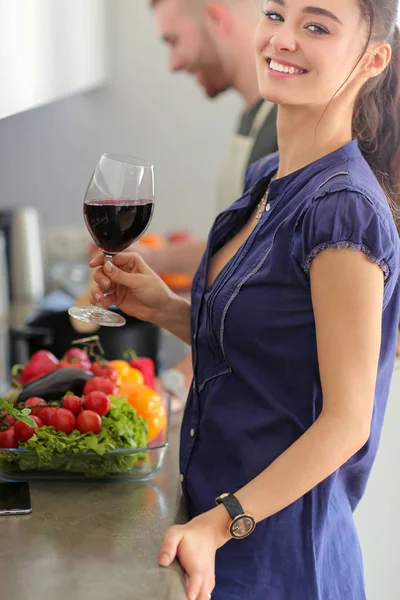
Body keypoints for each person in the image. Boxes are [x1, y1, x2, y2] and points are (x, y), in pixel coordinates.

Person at [90, 0, 400, 598]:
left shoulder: (344, 211)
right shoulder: (268, 178)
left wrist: (219, 523)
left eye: (315, 27)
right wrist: (163, 308)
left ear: (372, 60)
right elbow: (270, 359)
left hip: (280, 559)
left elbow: (346, 423)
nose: (282, 39)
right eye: (274, 14)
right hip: (222, 541)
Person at [146, 0, 279, 393]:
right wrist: (154, 261)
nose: (171, 63)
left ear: (217, 18)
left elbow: (265, 275)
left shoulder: (288, 129)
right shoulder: (255, 116)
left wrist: (179, 379)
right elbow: (243, 243)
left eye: (174, 40)